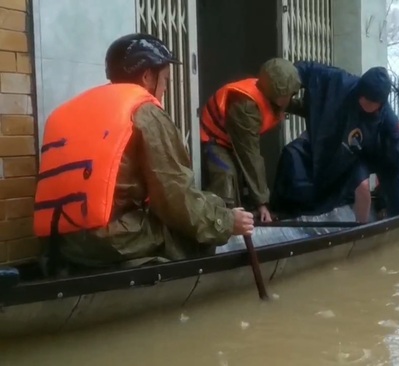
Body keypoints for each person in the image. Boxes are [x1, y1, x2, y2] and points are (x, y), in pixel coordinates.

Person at [33, 33, 254, 271]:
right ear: (147, 76)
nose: (166, 89)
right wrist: (227, 221)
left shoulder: (68, 111)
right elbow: (175, 199)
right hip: (111, 241)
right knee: (193, 228)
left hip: (60, 245)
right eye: (166, 80)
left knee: (199, 208)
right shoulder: (144, 112)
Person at [270, 62, 399, 223]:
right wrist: (282, 97)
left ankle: (361, 227)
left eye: (372, 103)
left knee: (362, 186)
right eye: (364, 99)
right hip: (325, 140)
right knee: (291, 155)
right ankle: (277, 210)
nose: (366, 105)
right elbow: (301, 69)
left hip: (356, 155)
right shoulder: (340, 80)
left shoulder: (386, 117)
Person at [201, 58, 301, 222]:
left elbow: (292, 104)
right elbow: (250, 156)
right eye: (288, 95)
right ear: (276, 95)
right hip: (212, 139)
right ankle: (223, 226)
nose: (290, 98)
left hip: (231, 139)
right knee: (226, 178)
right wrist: (262, 203)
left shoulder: (271, 93)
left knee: (246, 179)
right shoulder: (245, 106)